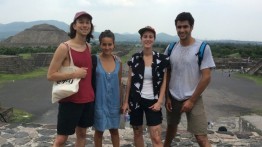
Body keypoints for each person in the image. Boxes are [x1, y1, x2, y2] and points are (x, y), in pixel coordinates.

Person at [163, 12, 215, 147]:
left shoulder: (202, 47)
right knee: (171, 129)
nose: (182, 30)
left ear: (192, 27)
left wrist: (191, 100)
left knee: (201, 136)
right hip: (173, 97)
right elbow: (167, 73)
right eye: (179, 27)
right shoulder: (171, 48)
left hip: (194, 96)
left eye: (185, 26)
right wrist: (167, 97)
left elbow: (206, 76)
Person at [47, 11, 95, 147]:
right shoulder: (64, 47)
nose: (85, 25)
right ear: (74, 26)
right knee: (61, 139)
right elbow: (50, 75)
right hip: (70, 100)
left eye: (87, 22)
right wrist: (75, 73)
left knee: (82, 135)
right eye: (81, 22)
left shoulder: (88, 47)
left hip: (87, 98)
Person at [122, 26, 169, 147]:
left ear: (154, 39)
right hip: (136, 100)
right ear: (141, 39)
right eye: (145, 37)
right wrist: (126, 102)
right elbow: (130, 81)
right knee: (137, 133)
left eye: (150, 37)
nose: (147, 39)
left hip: (153, 101)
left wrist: (160, 101)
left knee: (156, 137)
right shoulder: (135, 58)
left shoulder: (162, 59)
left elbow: (164, 81)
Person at [93, 30, 122, 147]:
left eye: (109, 44)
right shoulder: (95, 60)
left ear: (113, 44)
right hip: (99, 102)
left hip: (114, 102)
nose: (107, 47)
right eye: (104, 44)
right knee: (99, 131)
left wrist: (122, 102)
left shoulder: (118, 62)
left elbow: (119, 84)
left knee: (114, 130)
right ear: (100, 44)